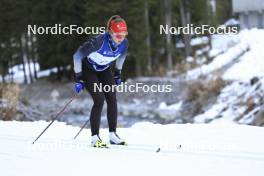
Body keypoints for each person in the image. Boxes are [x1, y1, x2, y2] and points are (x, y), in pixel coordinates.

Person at [73, 15, 128, 148]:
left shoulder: (124, 43)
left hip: (104, 69)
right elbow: (77, 55)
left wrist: (117, 73)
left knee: (112, 98)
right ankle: (94, 138)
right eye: (118, 36)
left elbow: (122, 57)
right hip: (88, 69)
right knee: (99, 100)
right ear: (111, 33)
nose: (121, 39)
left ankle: (113, 135)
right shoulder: (99, 42)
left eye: (124, 35)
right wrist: (78, 77)